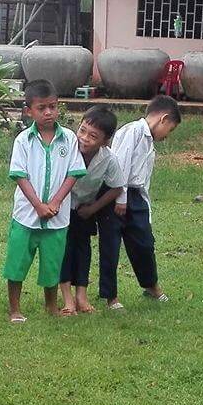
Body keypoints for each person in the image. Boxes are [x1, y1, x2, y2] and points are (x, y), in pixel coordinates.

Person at [3, 79, 86, 322]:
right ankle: (14, 308)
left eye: (53, 106)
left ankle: (51, 305)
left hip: (57, 217)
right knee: (17, 262)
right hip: (26, 215)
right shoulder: (23, 140)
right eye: (42, 108)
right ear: (29, 111)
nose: (48, 112)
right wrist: (38, 205)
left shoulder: (68, 138)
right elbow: (19, 175)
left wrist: (57, 202)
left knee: (52, 264)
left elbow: (74, 172)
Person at [103, 95, 181, 308]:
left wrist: (145, 207)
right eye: (170, 129)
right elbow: (121, 164)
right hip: (117, 193)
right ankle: (111, 297)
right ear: (163, 119)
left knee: (144, 243)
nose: (167, 135)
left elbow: (143, 178)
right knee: (111, 245)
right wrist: (121, 197)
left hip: (136, 197)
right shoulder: (133, 132)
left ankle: (150, 286)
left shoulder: (149, 142)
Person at [59, 106, 126, 315]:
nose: (84, 138)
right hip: (61, 207)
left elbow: (116, 187)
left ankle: (81, 295)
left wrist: (93, 208)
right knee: (64, 249)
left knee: (83, 249)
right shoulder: (66, 150)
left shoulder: (108, 159)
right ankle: (67, 298)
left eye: (93, 136)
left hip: (84, 209)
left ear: (105, 141)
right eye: (82, 130)